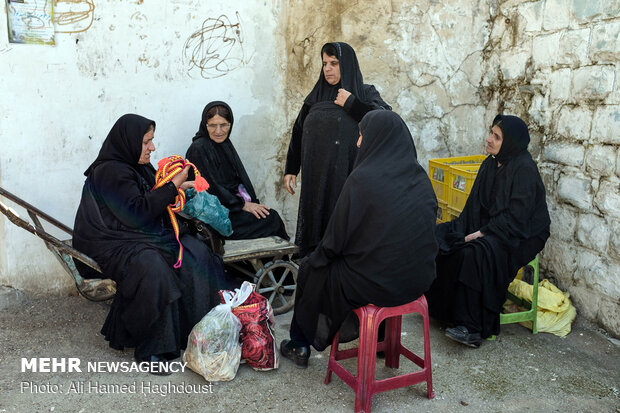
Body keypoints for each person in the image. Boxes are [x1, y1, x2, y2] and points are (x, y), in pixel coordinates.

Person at [280, 110, 438, 367]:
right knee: (374, 258)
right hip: (418, 280)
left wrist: (316, 260)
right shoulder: (420, 177)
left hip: (378, 283)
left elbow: (334, 242)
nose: (357, 143)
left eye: (362, 135)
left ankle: (299, 343)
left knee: (313, 268)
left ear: (377, 139)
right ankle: (380, 340)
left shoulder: (363, 179)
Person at [73, 114, 227, 373]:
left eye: (152, 141)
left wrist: (179, 187)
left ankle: (195, 334)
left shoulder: (136, 166)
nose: (152, 148)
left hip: (135, 234)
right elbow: (138, 213)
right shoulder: (111, 171)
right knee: (152, 266)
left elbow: (155, 196)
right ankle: (153, 347)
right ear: (129, 141)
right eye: (146, 142)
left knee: (195, 252)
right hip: (109, 241)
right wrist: (173, 185)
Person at [425, 114, 551, 348]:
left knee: (476, 253)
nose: (489, 139)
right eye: (490, 133)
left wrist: (481, 233)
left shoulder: (524, 170)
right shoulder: (490, 164)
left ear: (510, 142)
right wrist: (463, 231)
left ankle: (471, 327)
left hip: (522, 234)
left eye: (496, 136)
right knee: (441, 237)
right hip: (492, 226)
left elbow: (517, 218)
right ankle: (446, 312)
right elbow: (474, 207)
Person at [283, 42, 391, 257]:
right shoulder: (315, 96)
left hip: (348, 174)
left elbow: (384, 121)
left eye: (334, 63)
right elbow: (298, 131)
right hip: (317, 177)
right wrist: (291, 169)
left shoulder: (365, 93)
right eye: (324, 64)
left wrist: (352, 103)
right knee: (317, 224)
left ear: (347, 65)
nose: (328, 69)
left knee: (344, 224)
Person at [186, 101, 289, 240]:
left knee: (268, 215)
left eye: (223, 125)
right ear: (205, 125)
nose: (218, 131)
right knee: (271, 219)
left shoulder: (224, 144)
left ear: (230, 124)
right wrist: (242, 205)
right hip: (213, 219)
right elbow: (210, 189)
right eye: (212, 125)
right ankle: (277, 261)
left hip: (228, 208)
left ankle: (273, 261)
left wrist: (246, 203)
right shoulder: (199, 149)